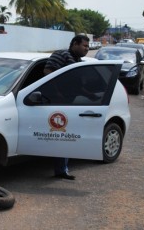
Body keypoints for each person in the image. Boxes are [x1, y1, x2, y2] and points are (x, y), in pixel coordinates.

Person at [43, 34, 90, 180]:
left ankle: (62, 169)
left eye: (88, 47)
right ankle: (61, 169)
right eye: (85, 46)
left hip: (70, 105)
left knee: (67, 136)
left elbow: (79, 85)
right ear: (75, 43)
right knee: (61, 135)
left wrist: (92, 95)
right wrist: (58, 93)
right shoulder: (61, 54)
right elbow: (48, 72)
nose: (87, 49)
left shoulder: (78, 61)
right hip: (57, 104)